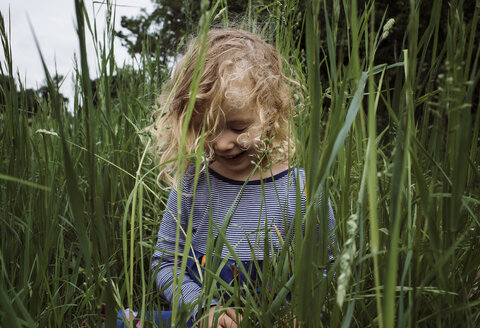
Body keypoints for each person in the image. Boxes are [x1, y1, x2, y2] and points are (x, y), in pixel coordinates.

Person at [116, 28, 335, 328]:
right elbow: (166, 262)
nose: (220, 143)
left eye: (237, 126)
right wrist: (203, 308)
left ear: (271, 113)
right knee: (125, 321)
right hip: (203, 319)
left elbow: (326, 267)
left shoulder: (301, 190)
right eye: (204, 128)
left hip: (278, 321)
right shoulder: (193, 184)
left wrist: (299, 310)